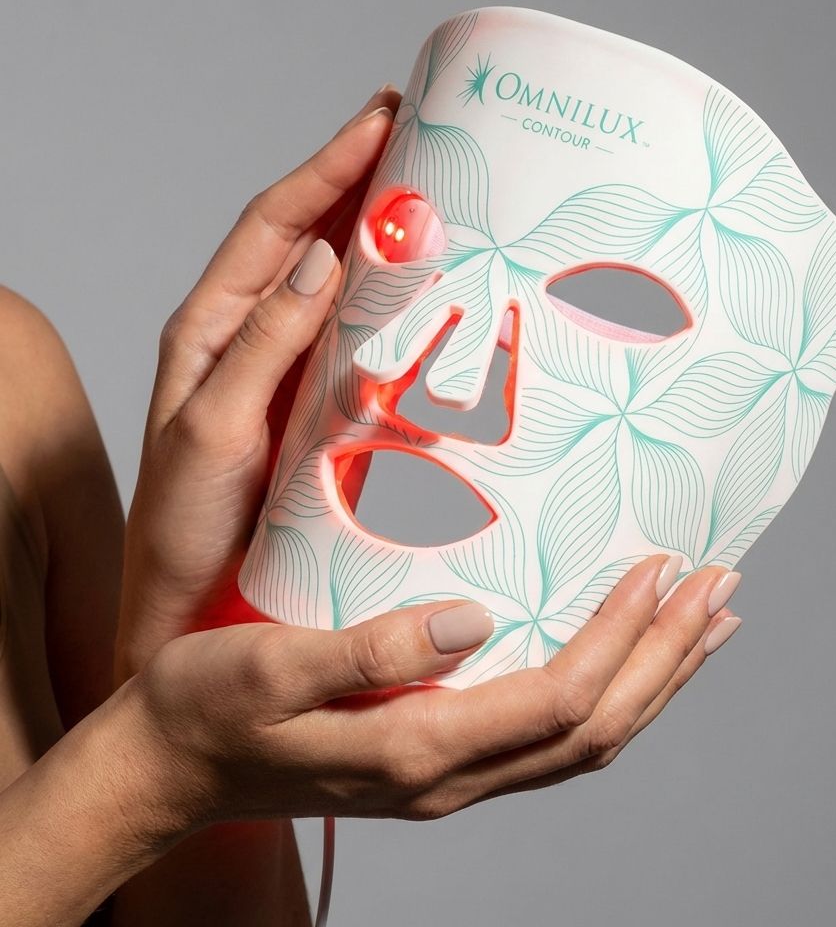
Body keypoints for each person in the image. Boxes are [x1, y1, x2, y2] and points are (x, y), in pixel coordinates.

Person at [0, 85, 742, 927]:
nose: (457, 392)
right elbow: (159, 763)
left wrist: (188, 625)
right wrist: (162, 770)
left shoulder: (13, 376)